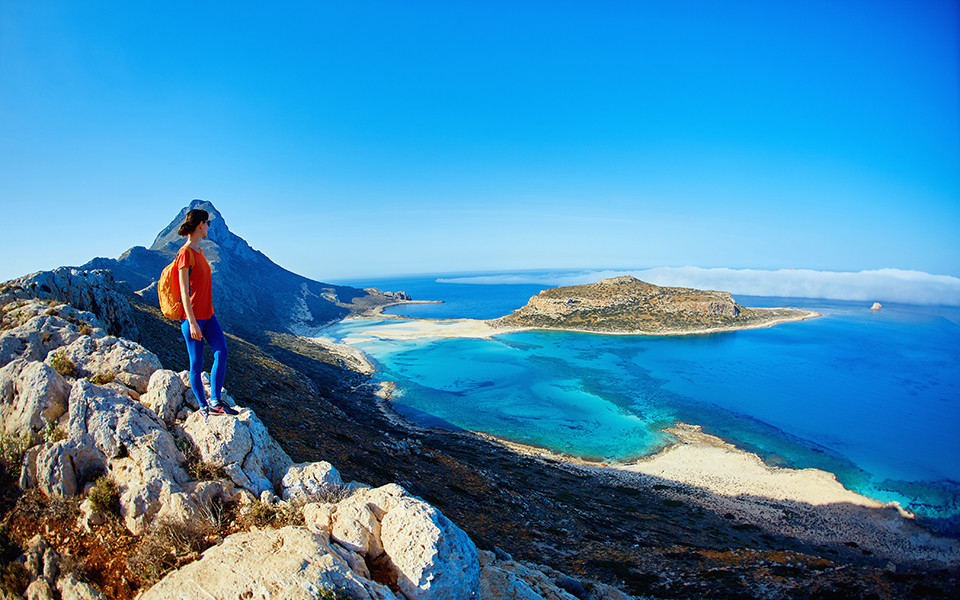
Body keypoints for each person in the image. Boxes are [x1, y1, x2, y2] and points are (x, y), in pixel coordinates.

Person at [175, 208, 238, 416]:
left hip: (209, 315)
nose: (209, 227)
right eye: (208, 223)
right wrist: (192, 322)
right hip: (193, 319)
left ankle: (215, 400)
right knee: (196, 364)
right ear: (200, 224)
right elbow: (184, 291)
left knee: (222, 352)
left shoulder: (201, 252)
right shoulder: (185, 253)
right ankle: (203, 407)